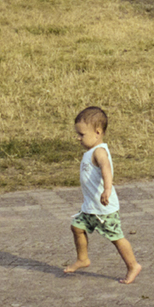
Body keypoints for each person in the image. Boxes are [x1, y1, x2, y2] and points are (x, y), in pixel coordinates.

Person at [63, 105, 141, 282]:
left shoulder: (99, 152)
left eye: (82, 134)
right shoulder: (90, 151)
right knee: (77, 227)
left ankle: (133, 265)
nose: (78, 138)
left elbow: (106, 168)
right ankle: (83, 259)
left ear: (97, 132)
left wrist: (107, 189)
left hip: (104, 209)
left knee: (116, 238)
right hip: (90, 207)